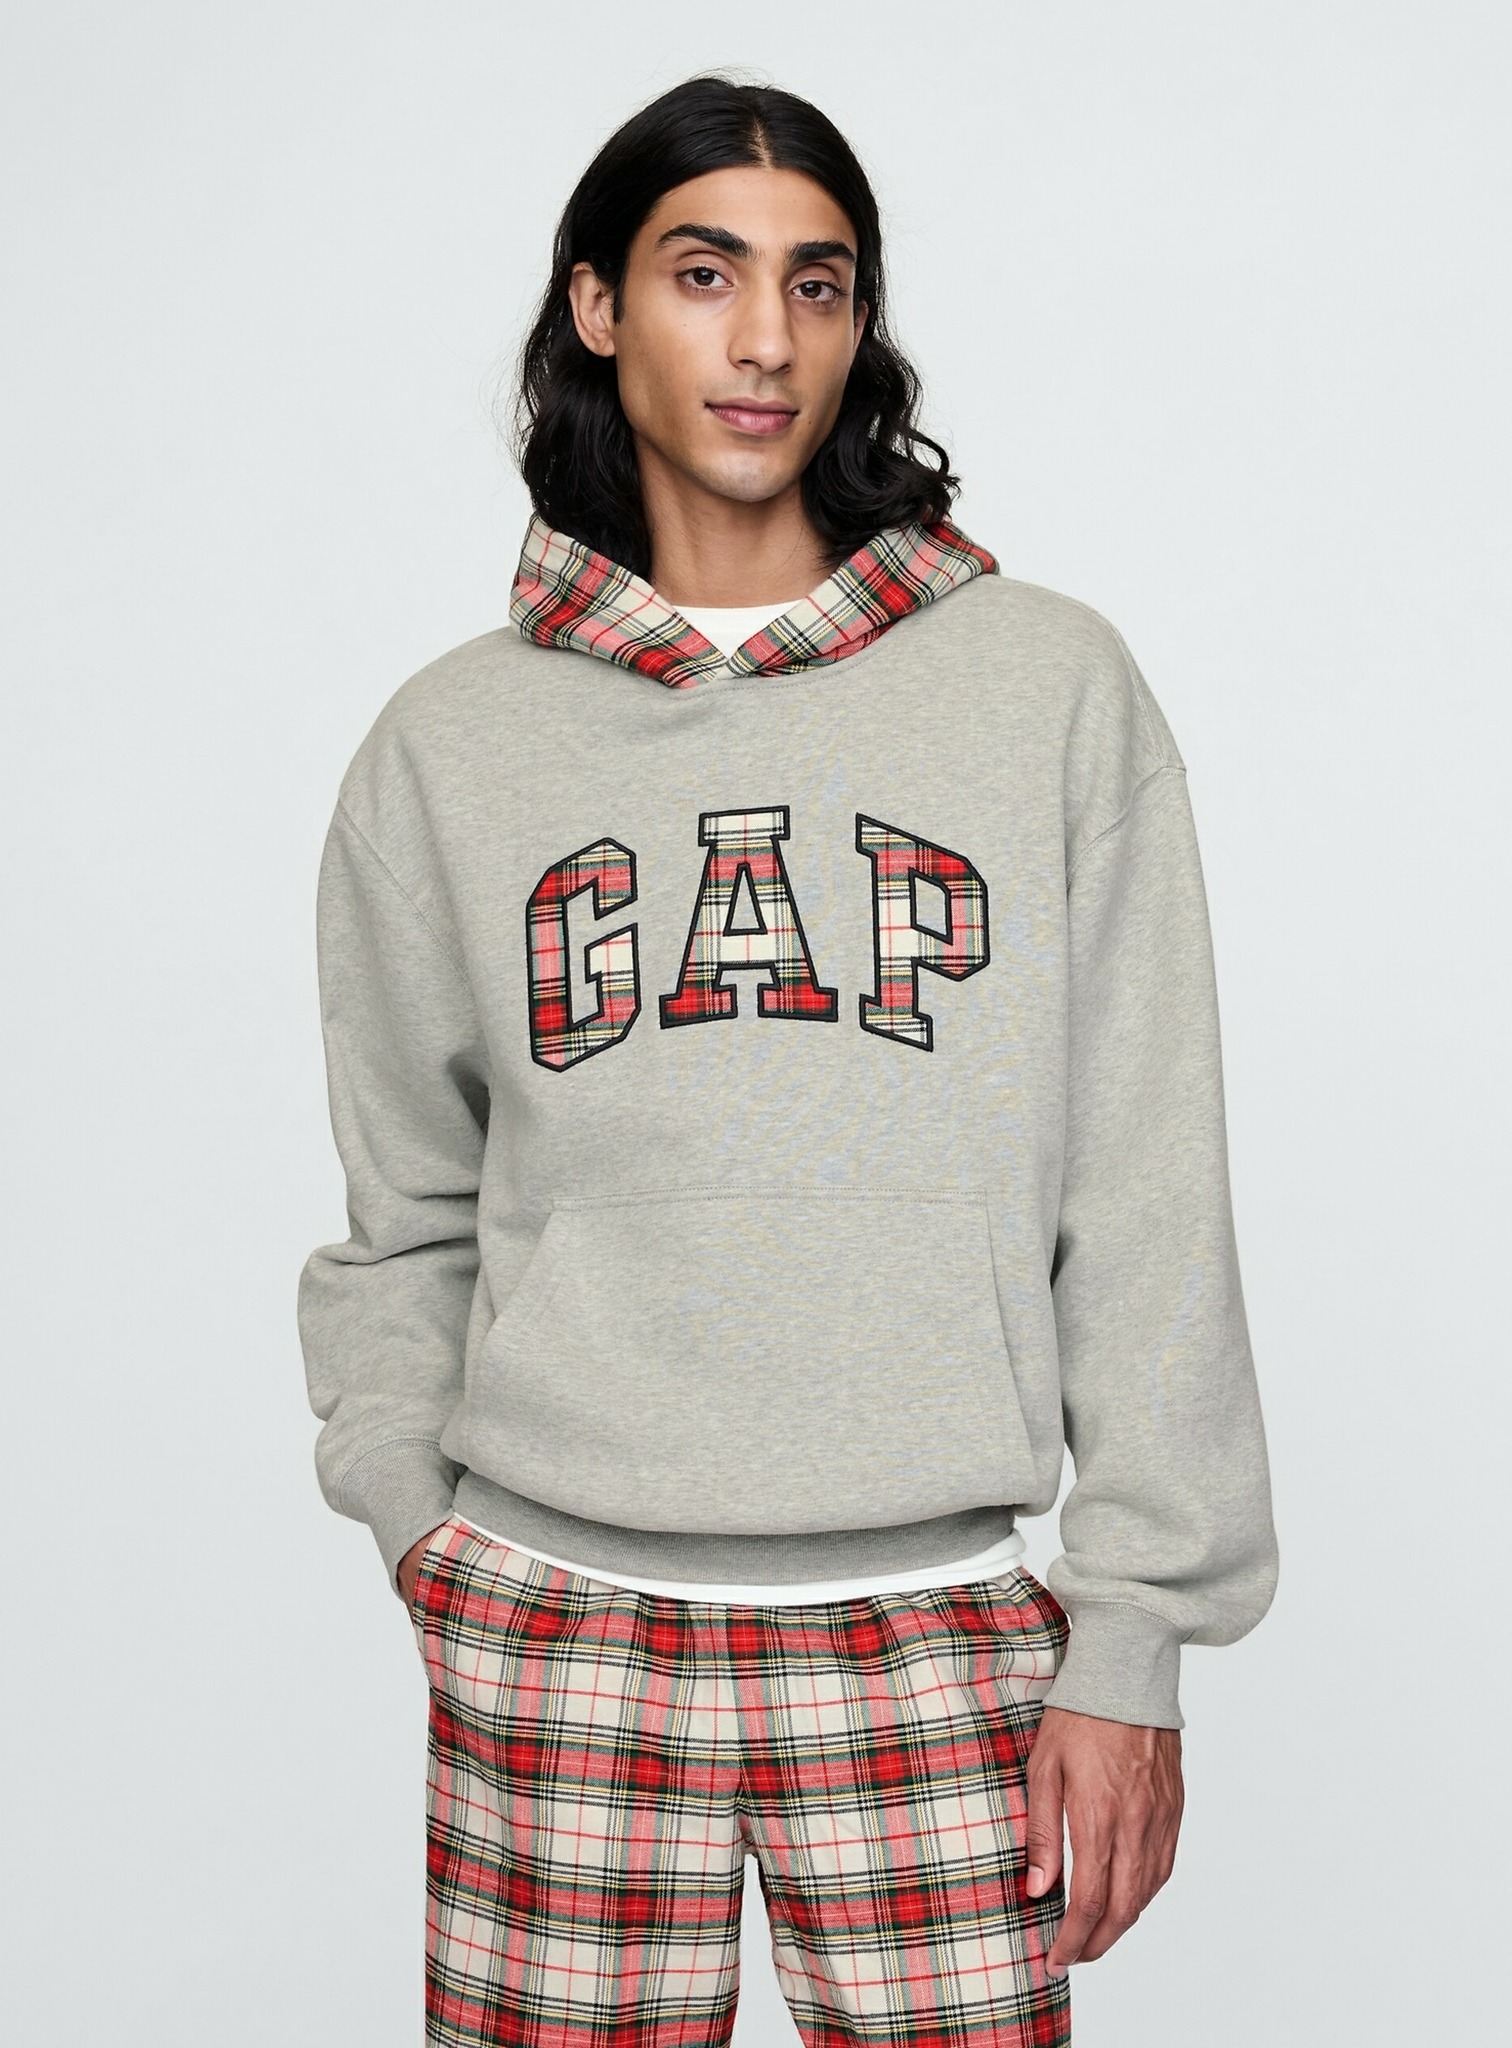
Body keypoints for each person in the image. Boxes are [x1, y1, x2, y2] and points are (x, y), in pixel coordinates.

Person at [297, 73, 1278, 2048]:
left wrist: (1134, 1642)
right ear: (598, 307)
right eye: (704, 273)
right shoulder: (448, 748)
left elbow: (1149, 1183)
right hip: (557, 1630)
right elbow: (407, 1212)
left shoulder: (1046, 687)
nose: (765, 339)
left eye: (817, 285)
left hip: (941, 1630)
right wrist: (424, 1528)